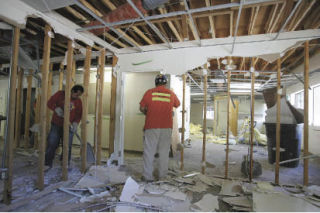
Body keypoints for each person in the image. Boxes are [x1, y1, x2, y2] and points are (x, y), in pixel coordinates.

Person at [139, 74, 180, 181]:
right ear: (165, 83)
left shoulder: (149, 92)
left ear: (156, 82)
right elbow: (177, 104)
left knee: (149, 151)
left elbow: (142, 107)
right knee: (164, 152)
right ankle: (162, 176)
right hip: (166, 127)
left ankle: (147, 176)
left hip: (151, 126)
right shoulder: (171, 93)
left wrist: (148, 113)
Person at [45, 85, 84, 168]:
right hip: (56, 124)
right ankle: (47, 163)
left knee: (67, 145)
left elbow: (79, 114)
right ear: (72, 91)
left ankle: (65, 162)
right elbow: (49, 103)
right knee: (52, 142)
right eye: (77, 94)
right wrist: (56, 108)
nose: (77, 97)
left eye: (79, 95)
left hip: (68, 126)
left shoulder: (78, 101)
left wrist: (75, 123)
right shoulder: (60, 94)